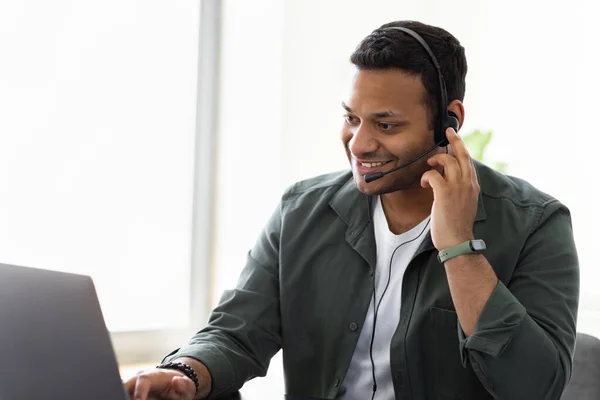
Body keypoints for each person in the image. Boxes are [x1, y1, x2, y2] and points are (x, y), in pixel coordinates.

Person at [125, 20, 579, 400]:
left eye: (386, 124)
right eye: (351, 118)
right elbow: (236, 332)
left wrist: (460, 248)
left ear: (450, 120)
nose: (359, 144)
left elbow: (535, 388)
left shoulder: (536, 224)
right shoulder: (302, 211)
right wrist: (185, 374)